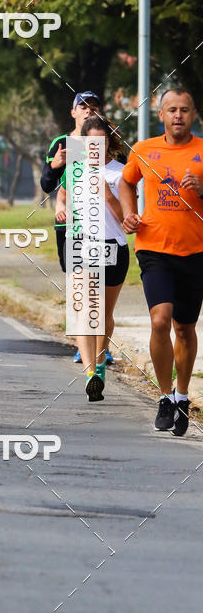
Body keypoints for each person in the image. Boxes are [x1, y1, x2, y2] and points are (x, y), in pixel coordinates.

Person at [119, 87, 203, 437]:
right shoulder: (144, 149)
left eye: (185, 109)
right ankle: (165, 395)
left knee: (184, 328)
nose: (178, 115)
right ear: (161, 114)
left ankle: (183, 396)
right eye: (172, 110)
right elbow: (126, 183)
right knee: (159, 319)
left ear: (194, 115)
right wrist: (129, 213)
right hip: (154, 248)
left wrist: (201, 188)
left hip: (196, 251)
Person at [56, 117, 130, 401]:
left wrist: (108, 195)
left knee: (104, 316)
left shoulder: (121, 173)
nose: (95, 147)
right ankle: (90, 375)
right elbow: (61, 195)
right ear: (83, 144)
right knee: (85, 312)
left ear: (109, 143)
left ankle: (100, 363)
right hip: (82, 245)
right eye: (90, 143)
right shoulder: (73, 171)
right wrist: (61, 209)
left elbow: (127, 220)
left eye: (101, 142)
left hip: (114, 247)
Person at [40, 91, 114, 366]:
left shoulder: (107, 142)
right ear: (73, 113)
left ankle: (100, 348)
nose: (88, 111)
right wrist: (56, 165)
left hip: (104, 229)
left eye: (93, 107)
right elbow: (47, 184)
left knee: (101, 292)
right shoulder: (63, 143)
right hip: (71, 229)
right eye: (83, 107)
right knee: (79, 291)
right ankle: (85, 345)